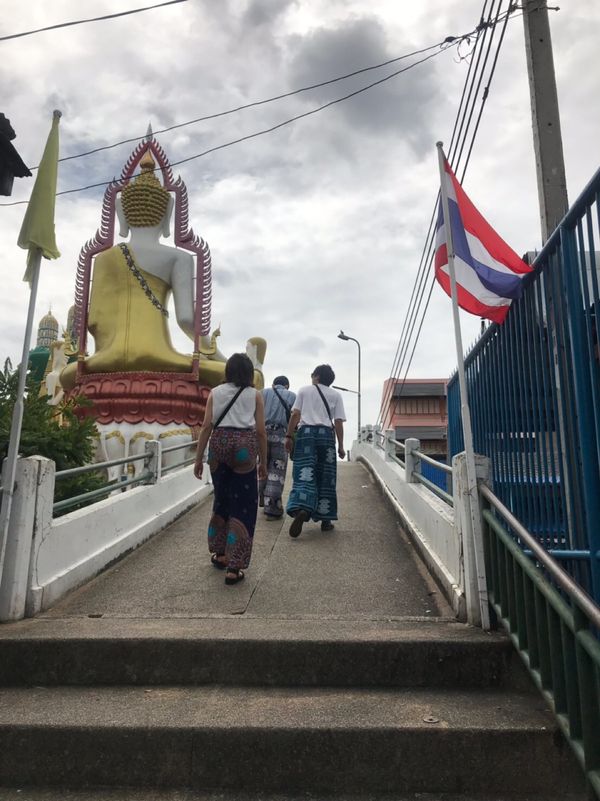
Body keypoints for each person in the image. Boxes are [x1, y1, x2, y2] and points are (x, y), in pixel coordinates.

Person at [194, 353, 267, 585]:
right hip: (244, 446)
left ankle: (220, 553)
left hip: (219, 444)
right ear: (248, 373)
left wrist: (198, 458)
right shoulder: (254, 395)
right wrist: (263, 462)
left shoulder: (215, 393)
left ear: (227, 371)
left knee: (222, 499)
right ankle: (234, 567)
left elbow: (206, 426)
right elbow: (261, 432)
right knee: (243, 505)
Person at [284, 364, 346, 537]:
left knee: (304, 473)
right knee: (326, 476)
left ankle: (301, 510)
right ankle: (326, 521)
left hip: (306, 435)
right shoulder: (336, 395)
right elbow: (339, 422)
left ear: (317, 376)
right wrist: (340, 446)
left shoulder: (304, 390)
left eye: (313, 374)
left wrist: (289, 436)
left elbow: (295, 414)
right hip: (326, 435)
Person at [259, 375, 296, 519]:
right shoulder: (293, 396)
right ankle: (272, 509)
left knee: (262, 466)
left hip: (262, 433)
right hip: (281, 434)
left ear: (273, 384)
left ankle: (262, 495)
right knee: (277, 472)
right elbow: (296, 416)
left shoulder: (263, 393)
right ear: (287, 386)